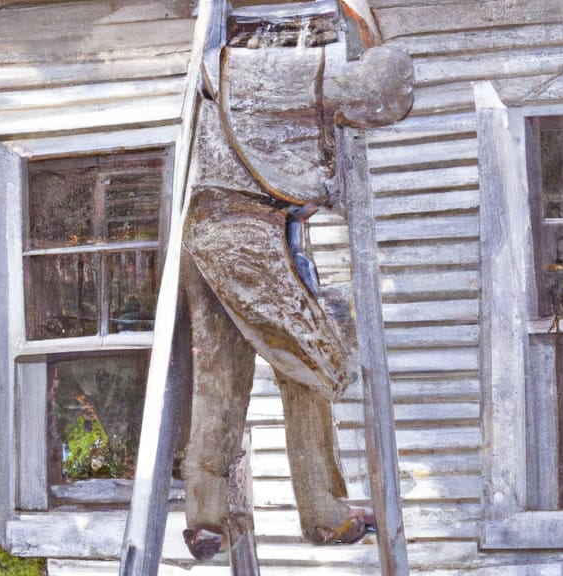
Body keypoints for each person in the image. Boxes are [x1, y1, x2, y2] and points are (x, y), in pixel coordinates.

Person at [179, 1, 414, 560]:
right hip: (244, 232)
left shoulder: (221, 66)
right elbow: (388, 86)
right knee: (311, 364)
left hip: (210, 228)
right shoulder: (288, 72)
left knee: (220, 375)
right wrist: (367, 28)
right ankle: (323, 513)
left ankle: (206, 519)